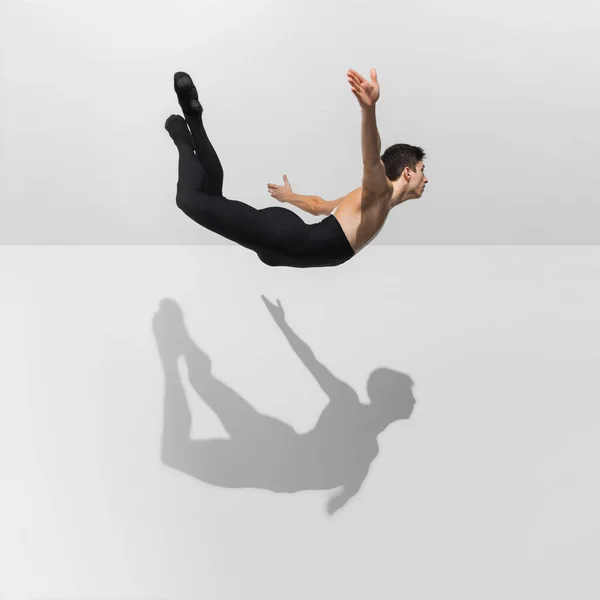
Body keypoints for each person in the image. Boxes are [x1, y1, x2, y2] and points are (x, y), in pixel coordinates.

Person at [165, 68, 428, 268]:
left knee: (212, 197)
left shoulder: (370, 202)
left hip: (281, 246)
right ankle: (181, 134)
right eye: (421, 170)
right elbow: (371, 160)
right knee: (188, 199)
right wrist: (368, 110)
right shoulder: (379, 192)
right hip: (284, 238)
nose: (425, 179)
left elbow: (319, 206)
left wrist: (290, 197)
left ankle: (194, 120)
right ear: (407, 171)